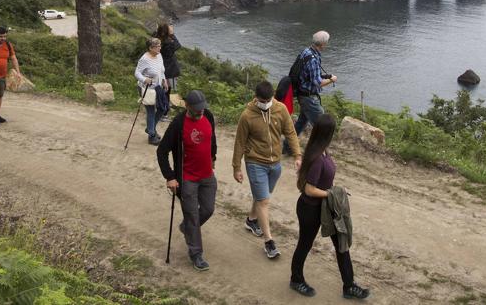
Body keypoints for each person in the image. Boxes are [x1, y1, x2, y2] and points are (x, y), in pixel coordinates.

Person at [290, 114, 370, 299]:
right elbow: (309, 189)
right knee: (305, 244)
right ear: (328, 133)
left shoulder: (323, 150)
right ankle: (296, 279)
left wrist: (334, 191)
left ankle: (349, 286)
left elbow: (324, 180)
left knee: (341, 244)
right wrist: (332, 193)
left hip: (326, 207)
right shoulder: (318, 157)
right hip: (310, 209)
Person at [232, 81, 301, 259]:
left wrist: (297, 155)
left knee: (262, 196)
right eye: (263, 100)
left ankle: (251, 220)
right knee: (264, 201)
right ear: (256, 98)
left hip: (275, 163)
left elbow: (291, 133)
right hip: (255, 162)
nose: (266, 103)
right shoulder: (247, 116)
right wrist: (236, 167)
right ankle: (269, 242)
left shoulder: (281, 109)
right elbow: (239, 142)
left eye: (268, 100)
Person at [157, 90, 217, 271]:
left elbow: (212, 138)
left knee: (208, 209)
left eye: (202, 109)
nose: (200, 113)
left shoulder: (207, 115)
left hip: (207, 175)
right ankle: (196, 254)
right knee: (192, 215)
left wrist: (213, 156)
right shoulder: (178, 124)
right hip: (187, 178)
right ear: (187, 106)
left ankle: (187, 228)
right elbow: (161, 152)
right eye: (196, 110)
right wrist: (170, 177)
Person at [284, 30, 337, 156]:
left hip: (303, 94)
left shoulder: (306, 51)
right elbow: (317, 82)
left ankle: (287, 147)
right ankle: (319, 153)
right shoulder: (313, 59)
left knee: (302, 122)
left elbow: (308, 75)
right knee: (322, 125)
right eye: (326, 43)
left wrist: (325, 76)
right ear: (323, 44)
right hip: (309, 98)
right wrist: (331, 80)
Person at [134, 37, 168, 145]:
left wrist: (164, 80)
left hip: (158, 88)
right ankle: (151, 136)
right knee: (151, 111)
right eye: (157, 46)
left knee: (163, 108)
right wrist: (144, 79)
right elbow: (137, 73)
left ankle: (150, 128)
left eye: (160, 46)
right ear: (150, 48)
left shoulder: (159, 56)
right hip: (146, 89)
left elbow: (161, 70)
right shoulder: (144, 59)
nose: (160, 48)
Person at [156, 23, 181, 118]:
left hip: (158, 68)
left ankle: (162, 108)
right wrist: (172, 34)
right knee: (166, 90)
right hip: (168, 70)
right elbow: (178, 45)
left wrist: (161, 30)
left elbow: (154, 35)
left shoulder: (157, 41)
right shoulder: (168, 42)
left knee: (162, 90)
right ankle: (164, 112)